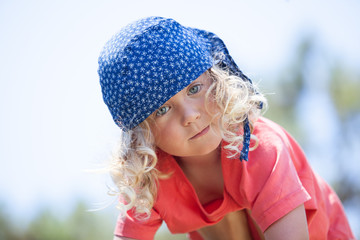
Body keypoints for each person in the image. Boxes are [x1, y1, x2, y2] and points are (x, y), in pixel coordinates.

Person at [97, 16, 355, 240]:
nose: (190, 115)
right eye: (162, 110)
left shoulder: (259, 146)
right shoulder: (149, 177)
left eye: (194, 89)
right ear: (141, 134)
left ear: (216, 79)